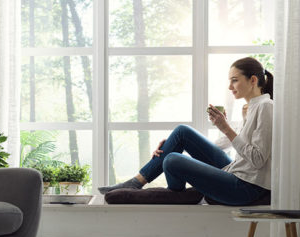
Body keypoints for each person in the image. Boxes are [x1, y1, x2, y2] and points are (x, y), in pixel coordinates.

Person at [99, 57, 274, 206]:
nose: (230, 87)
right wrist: (170, 146)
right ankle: (135, 182)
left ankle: (177, 193)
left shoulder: (266, 107)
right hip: (235, 171)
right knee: (182, 133)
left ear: (253, 80)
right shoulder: (249, 108)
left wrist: (226, 128)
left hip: (245, 187)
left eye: (234, 80)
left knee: (172, 160)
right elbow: (232, 143)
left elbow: (257, 160)